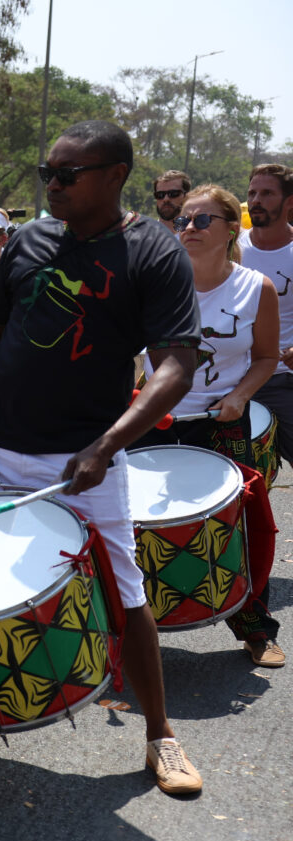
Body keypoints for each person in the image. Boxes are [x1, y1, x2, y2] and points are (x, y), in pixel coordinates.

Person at [0, 119, 203, 795]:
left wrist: (108, 443)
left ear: (115, 176)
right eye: (48, 172)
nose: (53, 185)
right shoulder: (32, 240)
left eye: (68, 175)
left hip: (82, 456)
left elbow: (178, 365)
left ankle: (160, 733)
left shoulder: (153, 253)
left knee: (124, 591)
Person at [138, 184, 282, 665]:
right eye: (182, 221)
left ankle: (255, 628)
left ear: (228, 229)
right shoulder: (155, 285)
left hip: (223, 419)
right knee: (134, 524)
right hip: (158, 420)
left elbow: (264, 358)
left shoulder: (255, 288)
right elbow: (130, 357)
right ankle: (130, 632)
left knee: (236, 524)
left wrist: (240, 396)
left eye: (201, 221)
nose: (188, 229)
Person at [243, 164, 293, 468]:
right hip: (228, 380)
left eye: (266, 193)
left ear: (290, 202)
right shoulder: (230, 248)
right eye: (251, 193)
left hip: (282, 380)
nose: (255, 200)